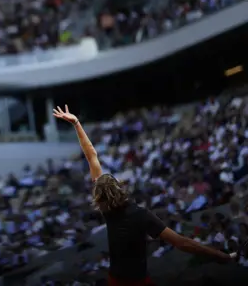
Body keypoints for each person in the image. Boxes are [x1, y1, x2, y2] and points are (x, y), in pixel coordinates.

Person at [52, 105, 235, 286]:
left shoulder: (107, 210)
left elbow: (91, 156)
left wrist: (76, 124)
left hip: (114, 280)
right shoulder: (140, 214)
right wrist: (220, 256)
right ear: (120, 187)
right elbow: (183, 243)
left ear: (100, 197)